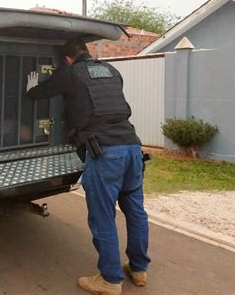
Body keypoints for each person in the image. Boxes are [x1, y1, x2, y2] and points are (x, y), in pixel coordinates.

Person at [26, 40, 150, 295]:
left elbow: (40, 93)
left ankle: (110, 280)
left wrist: (29, 88)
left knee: (102, 216)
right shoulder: (111, 71)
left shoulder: (71, 72)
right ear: (87, 52)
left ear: (68, 59)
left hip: (105, 153)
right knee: (135, 210)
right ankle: (138, 269)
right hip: (132, 147)